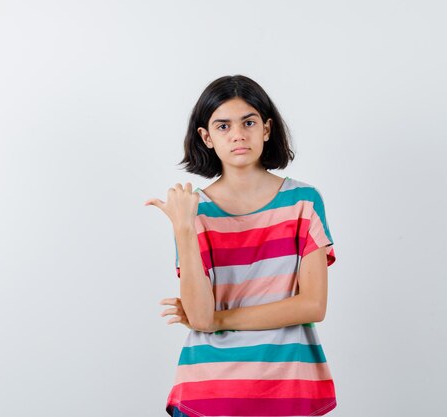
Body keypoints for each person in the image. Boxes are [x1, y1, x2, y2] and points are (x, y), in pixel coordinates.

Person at [144, 74, 338, 417]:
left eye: (248, 122)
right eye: (222, 126)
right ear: (206, 137)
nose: (238, 134)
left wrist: (218, 320)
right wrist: (184, 230)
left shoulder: (304, 202)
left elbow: (312, 305)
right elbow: (199, 317)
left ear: (266, 129)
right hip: (208, 391)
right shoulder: (194, 212)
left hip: (288, 388)